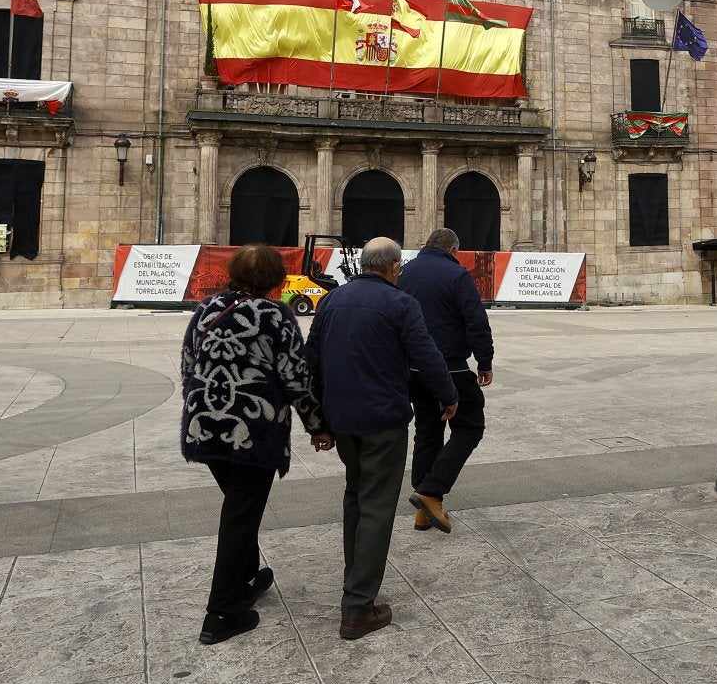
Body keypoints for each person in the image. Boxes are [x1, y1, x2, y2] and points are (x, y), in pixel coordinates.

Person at [179, 244, 333, 645]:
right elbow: (295, 378)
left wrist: (199, 408)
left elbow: (187, 365)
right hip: (252, 428)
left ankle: (246, 578)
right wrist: (317, 425)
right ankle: (221, 612)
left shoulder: (207, 308)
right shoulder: (273, 315)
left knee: (238, 505)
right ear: (277, 279)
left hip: (204, 423)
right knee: (240, 515)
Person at [305, 238, 456, 641]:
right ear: (391, 267)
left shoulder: (331, 302)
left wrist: (317, 421)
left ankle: (354, 588)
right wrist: (449, 395)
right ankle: (357, 608)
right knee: (376, 507)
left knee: (356, 497)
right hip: (382, 421)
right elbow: (426, 356)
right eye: (399, 268)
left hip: (342, 420)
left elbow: (311, 363)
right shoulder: (401, 304)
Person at [397, 228, 494, 533]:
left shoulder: (405, 272)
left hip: (412, 369)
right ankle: (431, 491)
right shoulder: (456, 274)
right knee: (469, 426)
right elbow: (475, 319)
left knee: (428, 431)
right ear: (453, 250)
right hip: (449, 366)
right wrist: (484, 360)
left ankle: (424, 512)